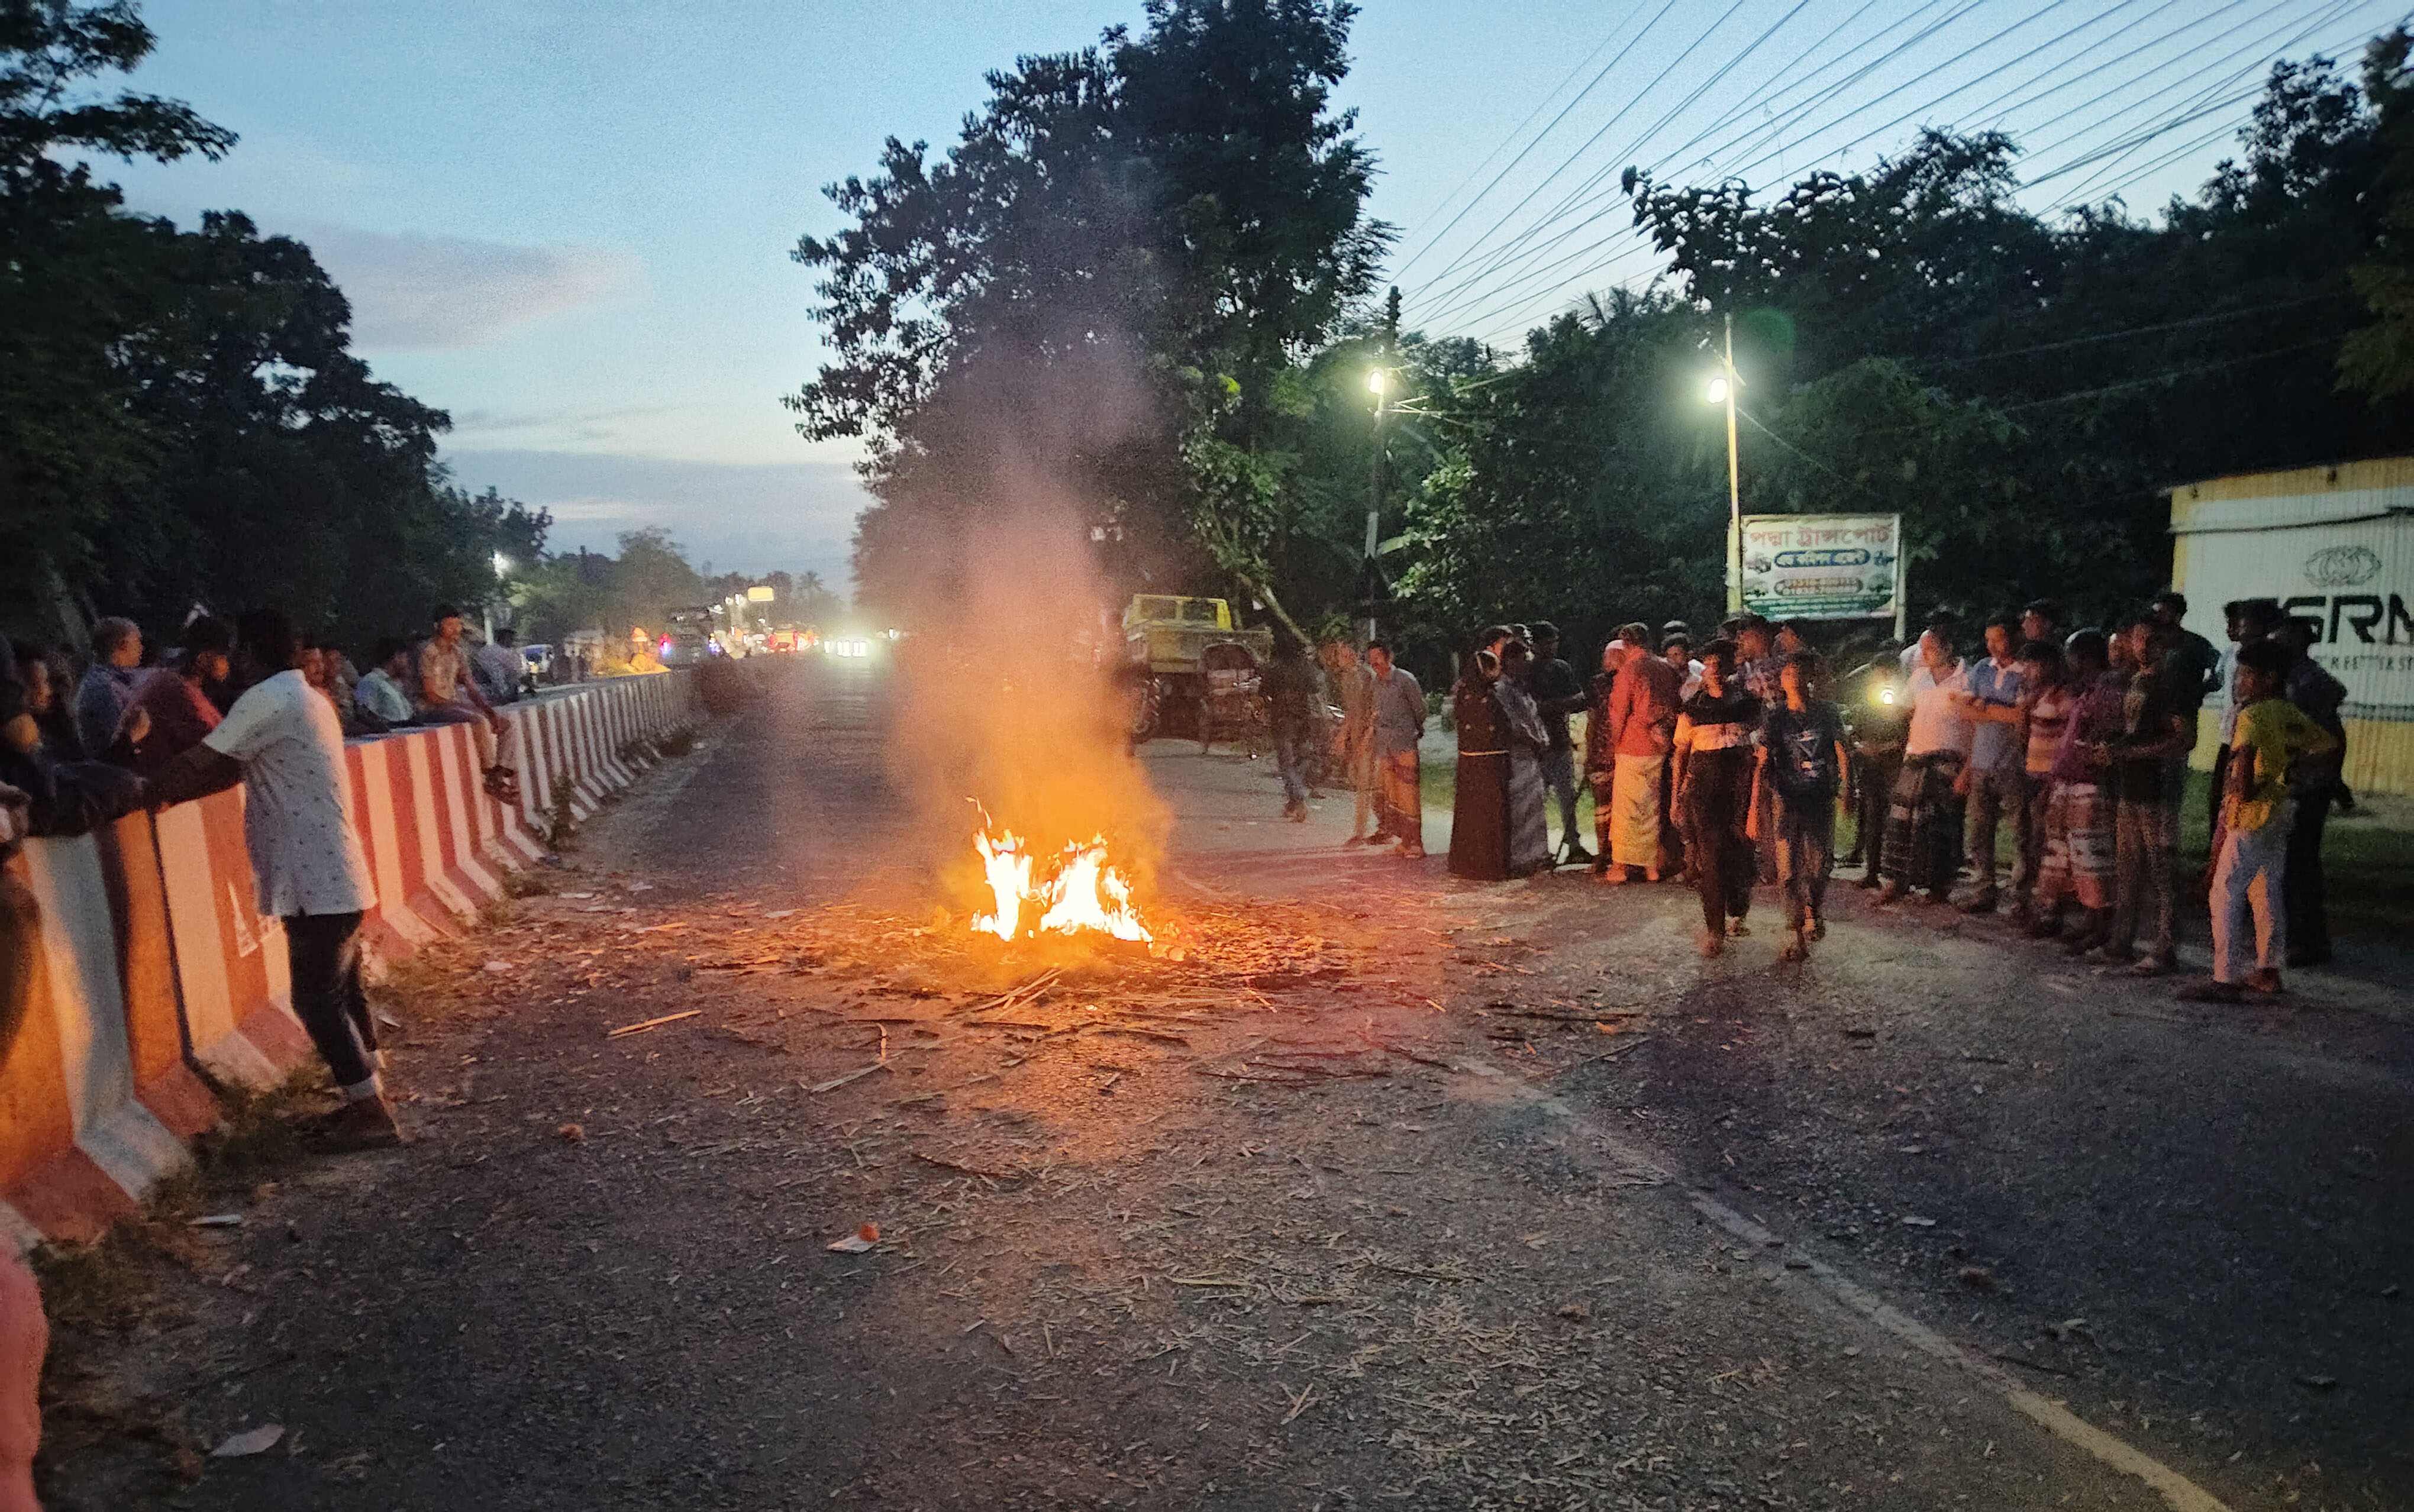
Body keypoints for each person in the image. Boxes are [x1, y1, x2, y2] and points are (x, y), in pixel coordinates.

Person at [149, 609, 401, 1146]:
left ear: (251, 652)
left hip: (311, 874)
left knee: (315, 1000)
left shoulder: (265, 700)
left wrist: (139, 788)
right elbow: (229, 769)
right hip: (334, 869)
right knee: (343, 990)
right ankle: (370, 1093)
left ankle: (371, 1115)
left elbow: (203, 761)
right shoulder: (309, 698)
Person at [2177, 639, 2339, 1003]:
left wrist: (2243, 791)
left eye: (2248, 675)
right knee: (2266, 889)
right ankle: (2268, 969)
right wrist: (2290, 776)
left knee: (2225, 891)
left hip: (2251, 814)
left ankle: (2224, 977)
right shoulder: (2288, 711)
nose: (2240, 681)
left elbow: (2245, 760)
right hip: (2281, 810)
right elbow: (2328, 747)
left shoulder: (2250, 715)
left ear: (2268, 678)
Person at [2097, 618, 2191, 974]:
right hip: (2130, 786)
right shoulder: (2137, 680)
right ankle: (2122, 942)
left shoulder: (2171, 685)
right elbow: (2136, 733)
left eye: (2152, 640)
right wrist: (2113, 750)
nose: (2143, 647)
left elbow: (2184, 739)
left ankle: (2165, 948)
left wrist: (2133, 754)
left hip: (2158, 790)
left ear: (2166, 644)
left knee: (2162, 871)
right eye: (2138, 639)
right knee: (2128, 868)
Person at [2036, 631, 2125, 951]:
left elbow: (2105, 735)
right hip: (2071, 780)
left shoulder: (2108, 689)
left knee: (2092, 858)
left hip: (2090, 782)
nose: (2067, 661)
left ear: (2084, 657)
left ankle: (2099, 925)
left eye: (2071, 654)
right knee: (2075, 857)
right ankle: (2088, 922)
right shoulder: (2089, 690)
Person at [1673, 639, 1760, 955]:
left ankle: (1738, 910)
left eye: (1722, 666)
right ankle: (1715, 930)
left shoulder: (1749, 705)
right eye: (1711, 667)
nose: (1717, 673)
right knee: (1710, 858)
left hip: (1739, 785)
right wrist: (1676, 797)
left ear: (1732, 669)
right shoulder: (1693, 707)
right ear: (1705, 671)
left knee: (1741, 852)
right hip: (1704, 787)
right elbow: (1680, 755)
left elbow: (1760, 752)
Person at [2273, 618, 2347, 967]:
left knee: (2299, 862)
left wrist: (2324, 774)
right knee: (2294, 862)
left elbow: (2328, 735)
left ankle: (2306, 942)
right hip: (2298, 781)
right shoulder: (2292, 678)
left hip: (2306, 784)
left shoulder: (2308, 681)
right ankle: (2302, 938)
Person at [1877, 627, 1967, 906]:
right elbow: (1902, 708)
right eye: (1922, 649)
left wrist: (1967, 770)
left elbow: (1976, 724)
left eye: (1929, 649)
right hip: (1916, 758)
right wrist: (1887, 704)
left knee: (1938, 826)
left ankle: (1938, 885)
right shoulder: (1919, 678)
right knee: (1901, 824)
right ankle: (1897, 881)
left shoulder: (1967, 679)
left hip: (1947, 762)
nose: (1923, 655)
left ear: (1947, 649)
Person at [1952, 615, 2029, 916]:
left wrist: (1987, 707)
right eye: (1988, 640)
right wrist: (2001, 711)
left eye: (1997, 639)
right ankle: (1984, 889)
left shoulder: (2025, 672)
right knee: (1980, 832)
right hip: (1982, 761)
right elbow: (1964, 711)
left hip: (2013, 764)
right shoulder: (1981, 669)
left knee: (2020, 832)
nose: (1992, 646)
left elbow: (2022, 719)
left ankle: (2020, 896)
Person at [1601, 621, 1680, 884]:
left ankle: (1621, 866)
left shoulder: (1629, 671)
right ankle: (1651, 866)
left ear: (1626, 643)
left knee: (1629, 809)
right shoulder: (1666, 668)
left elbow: (1619, 712)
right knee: (1653, 807)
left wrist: (1614, 744)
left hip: (1633, 743)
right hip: (1662, 743)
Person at [418, 605, 518, 800]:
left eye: (458, 625)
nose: (456, 630)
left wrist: (491, 712)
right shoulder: (427, 653)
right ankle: (490, 773)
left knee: (506, 724)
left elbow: (471, 688)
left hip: (452, 705)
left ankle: (500, 771)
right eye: (450, 625)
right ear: (437, 626)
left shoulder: (458, 653)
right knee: (479, 721)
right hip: (431, 708)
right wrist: (472, 710)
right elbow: (430, 693)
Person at [2008, 639, 2067, 931]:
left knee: (2048, 845)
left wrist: (2052, 783)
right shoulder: (2030, 694)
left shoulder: (2062, 697)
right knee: (2027, 840)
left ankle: (2050, 909)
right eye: (2026, 665)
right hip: (2029, 772)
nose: (2028, 671)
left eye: (2034, 665)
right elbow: (2023, 734)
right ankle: (2024, 901)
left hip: (2050, 778)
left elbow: (2063, 743)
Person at [127, 615, 233, 775]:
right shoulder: (179, 693)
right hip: (148, 782)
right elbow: (214, 748)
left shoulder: (171, 681)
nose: (227, 665)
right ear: (204, 658)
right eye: (223, 657)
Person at [1524, 622, 1592, 866]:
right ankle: (1538, 849)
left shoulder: (1561, 668)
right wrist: (1558, 705)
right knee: (1536, 800)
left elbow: (1580, 699)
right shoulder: (1527, 672)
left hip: (1560, 740)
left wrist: (1551, 706)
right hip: (1537, 746)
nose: (1553, 646)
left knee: (1567, 797)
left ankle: (1573, 843)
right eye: (1549, 642)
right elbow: (1532, 707)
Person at [1840, 640, 1906, 880]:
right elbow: (1855, 732)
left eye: (1886, 673)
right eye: (1878, 674)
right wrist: (1861, 747)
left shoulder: (1904, 700)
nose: (1882, 678)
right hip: (1870, 767)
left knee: (1895, 819)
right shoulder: (1869, 701)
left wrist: (1885, 747)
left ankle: (1895, 871)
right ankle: (1872, 871)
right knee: (1871, 817)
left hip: (1893, 765)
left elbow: (1906, 733)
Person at [1448, 649, 1512, 881]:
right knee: (1493, 816)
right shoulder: (1496, 695)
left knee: (1470, 814)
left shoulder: (1462, 694)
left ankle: (1466, 863)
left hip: (1469, 762)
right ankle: (1492, 866)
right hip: (1492, 762)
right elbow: (1508, 725)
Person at [1497, 639, 1553, 875]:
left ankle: (1537, 854)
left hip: (1532, 755)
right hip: (1517, 755)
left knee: (1535, 807)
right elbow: (1514, 724)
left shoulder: (1522, 687)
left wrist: (1543, 739)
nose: (1527, 663)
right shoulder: (1502, 690)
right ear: (1511, 660)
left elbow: (1533, 717)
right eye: (1522, 658)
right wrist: (1535, 741)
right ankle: (1519, 857)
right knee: (1520, 809)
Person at [1366, 642, 1425, 858]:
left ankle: (1417, 843)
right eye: (1371, 659)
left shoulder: (1405, 680)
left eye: (1377, 657)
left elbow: (1420, 710)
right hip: (1384, 746)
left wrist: (1413, 731)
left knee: (1408, 795)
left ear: (1388, 657)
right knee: (1394, 797)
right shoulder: (1376, 684)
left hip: (1404, 744)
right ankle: (1404, 841)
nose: (1374, 663)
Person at [1262, 633, 1319, 823]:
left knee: (1286, 762)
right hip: (1303, 719)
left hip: (1282, 720)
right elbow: (1315, 690)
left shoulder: (1275, 669)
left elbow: (1264, 693)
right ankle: (1294, 800)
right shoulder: (1306, 668)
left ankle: (1298, 798)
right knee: (1303, 759)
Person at [1327, 641, 1378, 846]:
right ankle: (1374, 828)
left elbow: (1375, 711)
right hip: (1358, 736)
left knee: (1366, 785)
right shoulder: (1346, 678)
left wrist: (1366, 738)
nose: (1344, 656)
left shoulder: (1368, 676)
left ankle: (1360, 832)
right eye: (1340, 653)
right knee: (1362, 783)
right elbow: (1351, 711)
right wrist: (1343, 736)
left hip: (1372, 737)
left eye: (1346, 651)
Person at [73, 616, 146, 759]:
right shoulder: (104, 688)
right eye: (137, 642)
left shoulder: (113, 681)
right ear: (124, 644)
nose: (141, 648)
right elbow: (119, 741)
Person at [1583, 638, 1626, 873]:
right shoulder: (1598, 684)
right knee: (1602, 806)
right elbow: (1593, 718)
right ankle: (1603, 853)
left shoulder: (1631, 681)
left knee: (1623, 807)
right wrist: (1589, 752)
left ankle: (1621, 854)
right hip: (1603, 750)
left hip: (1626, 751)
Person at [356, 638, 418, 728]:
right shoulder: (371, 682)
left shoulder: (394, 684)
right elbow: (365, 716)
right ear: (396, 657)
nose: (407, 662)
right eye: (405, 658)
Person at [475, 626, 527, 705]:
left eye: (512, 638)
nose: (512, 641)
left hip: (502, 686)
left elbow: (517, 670)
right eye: (510, 638)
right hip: (495, 687)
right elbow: (516, 671)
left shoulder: (510, 652)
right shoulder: (494, 651)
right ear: (503, 638)